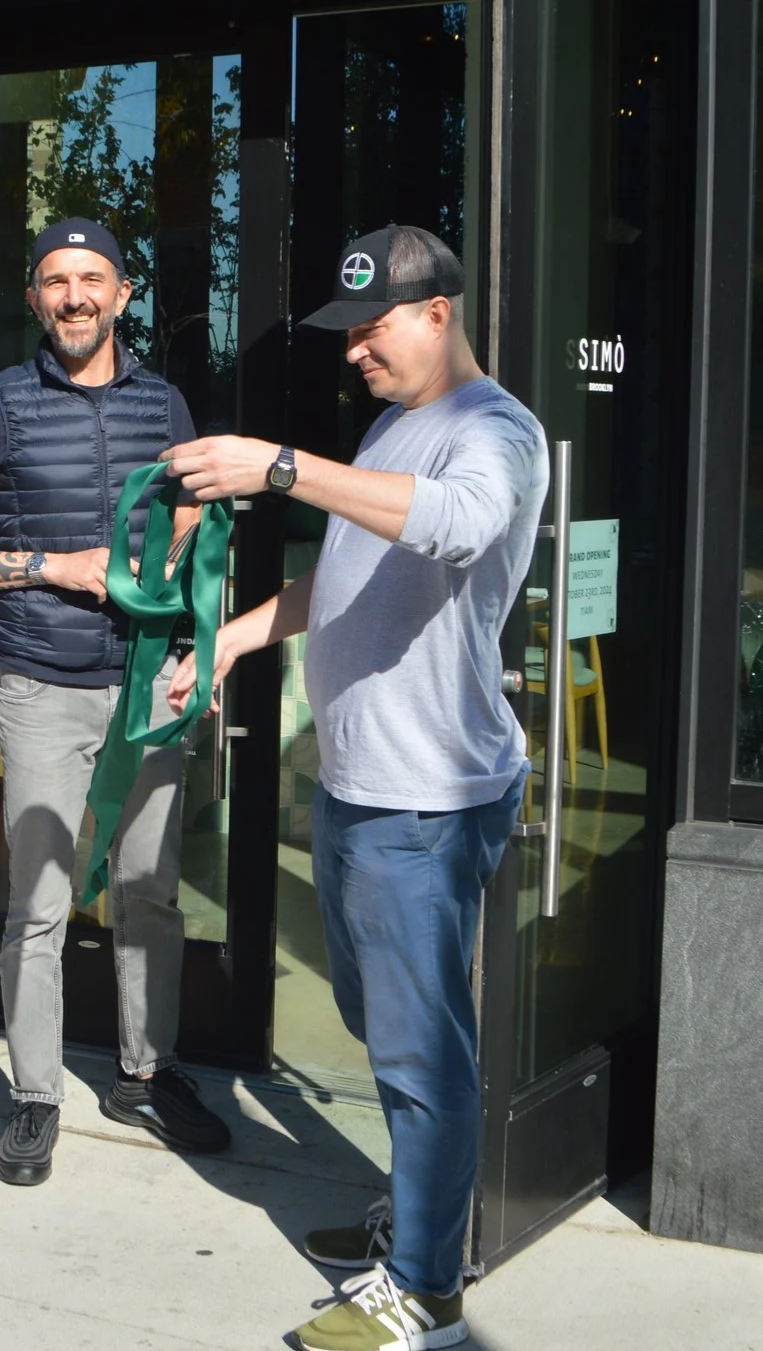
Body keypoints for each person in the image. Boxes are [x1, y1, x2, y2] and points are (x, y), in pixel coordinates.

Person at [163, 225, 549, 1351]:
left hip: (428, 795)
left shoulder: (495, 431)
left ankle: (425, 1289)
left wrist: (278, 466)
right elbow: (342, 569)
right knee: (376, 1026)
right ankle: (419, 1218)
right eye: (349, 336)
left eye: (371, 329)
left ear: (438, 313)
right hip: (356, 781)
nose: (354, 355)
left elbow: (455, 528)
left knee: (423, 1051)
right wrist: (234, 639)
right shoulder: (393, 425)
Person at [0, 216, 231, 1189]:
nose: (75, 296)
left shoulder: (166, 404)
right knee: (40, 907)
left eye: (92, 278)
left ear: (122, 295)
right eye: (56, 280)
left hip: (146, 690)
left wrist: (196, 648)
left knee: (148, 896)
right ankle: (36, 1096)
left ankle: (143, 1072)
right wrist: (56, 565)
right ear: (34, 298)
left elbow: (199, 522)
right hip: (43, 690)